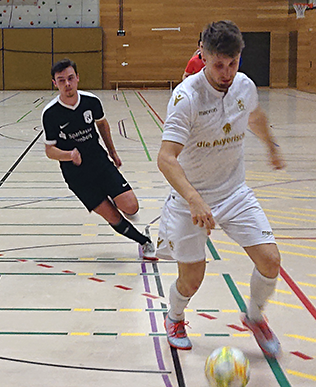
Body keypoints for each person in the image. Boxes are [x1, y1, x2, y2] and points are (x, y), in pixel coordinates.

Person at [157, 21, 286, 358]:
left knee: (271, 261)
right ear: (203, 54)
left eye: (233, 63)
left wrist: (271, 147)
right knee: (191, 280)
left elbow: (255, 116)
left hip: (234, 193)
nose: (226, 72)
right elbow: (166, 158)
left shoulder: (244, 86)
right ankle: (174, 317)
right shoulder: (186, 98)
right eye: (218, 64)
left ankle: (255, 317)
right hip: (191, 201)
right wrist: (194, 198)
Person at [41, 58, 156, 260]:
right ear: (54, 83)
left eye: (70, 78)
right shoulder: (50, 113)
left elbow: (102, 125)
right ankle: (144, 242)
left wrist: (112, 152)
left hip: (100, 163)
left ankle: (113, 194)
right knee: (112, 216)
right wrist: (68, 155)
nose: (67, 84)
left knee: (131, 206)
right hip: (76, 175)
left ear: (77, 78)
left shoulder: (91, 101)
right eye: (61, 80)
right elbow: (50, 150)